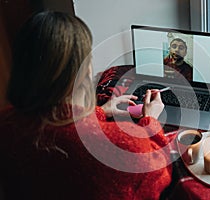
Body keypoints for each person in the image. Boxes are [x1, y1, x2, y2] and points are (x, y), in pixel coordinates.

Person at [0, 11, 172, 200]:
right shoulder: (122, 146)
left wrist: (101, 111)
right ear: (85, 71)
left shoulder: (6, 124)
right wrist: (151, 122)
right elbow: (158, 175)